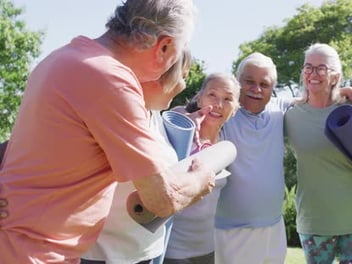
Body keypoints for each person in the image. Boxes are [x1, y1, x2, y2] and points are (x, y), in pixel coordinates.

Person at [0, 1, 216, 263]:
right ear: (165, 47)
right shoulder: (111, 79)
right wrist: (201, 179)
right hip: (36, 252)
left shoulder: (61, 58)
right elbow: (161, 199)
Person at [214, 52, 352, 264]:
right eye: (249, 82)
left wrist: (344, 89)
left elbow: (316, 96)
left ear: (273, 89)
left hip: (273, 228)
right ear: (237, 82)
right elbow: (195, 110)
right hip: (230, 230)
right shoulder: (223, 115)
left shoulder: (279, 109)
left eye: (265, 84)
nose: (257, 89)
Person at [284, 43, 352, 264]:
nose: (313, 74)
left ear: (336, 76)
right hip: (315, 220)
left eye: (321, 68)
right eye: (308, 67)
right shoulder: (290, 115)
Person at [81, 50, 192, 264]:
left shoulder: (156, 116)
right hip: (99, 255)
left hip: (143, 253)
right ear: (161, 72)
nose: (183, 86)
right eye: (183, 76)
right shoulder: (115, 112)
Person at [164, 72, 240, 264]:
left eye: (228, 99)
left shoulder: (225, 147)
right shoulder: (179, 135)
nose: (218, 104)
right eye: (212, 95)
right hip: (171, 251)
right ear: (199, 98)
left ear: (235, 109)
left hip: (205, 250)